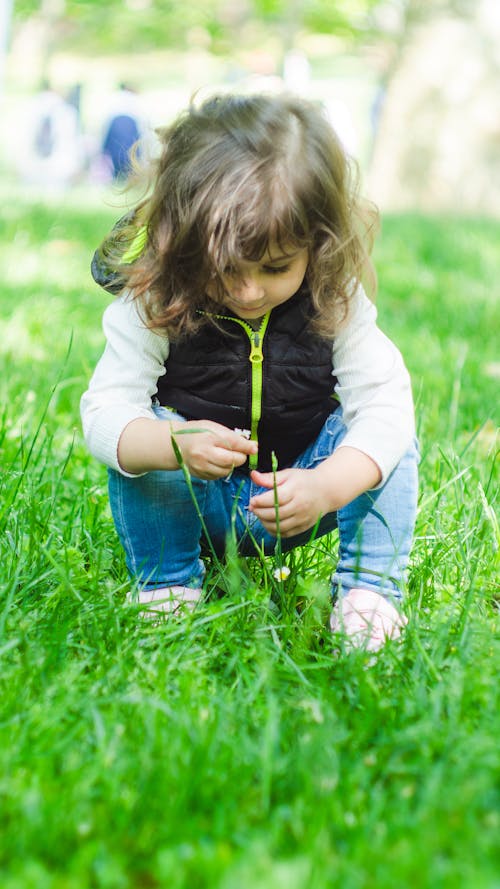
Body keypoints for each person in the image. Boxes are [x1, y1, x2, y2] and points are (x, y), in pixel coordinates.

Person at [81, 93, 418, 652]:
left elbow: (385, 410)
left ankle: (369, 595)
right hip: (197, 498)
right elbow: (103, 414)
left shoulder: (335, 298)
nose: (247, 291)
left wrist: (327, 484)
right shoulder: (154, 299)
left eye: (276, 267)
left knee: (389, 435)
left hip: (304, 489)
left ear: (318, 241)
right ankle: (167, 588)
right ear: (180, 240)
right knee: (146, 428)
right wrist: (171, 442)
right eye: (224, 269)